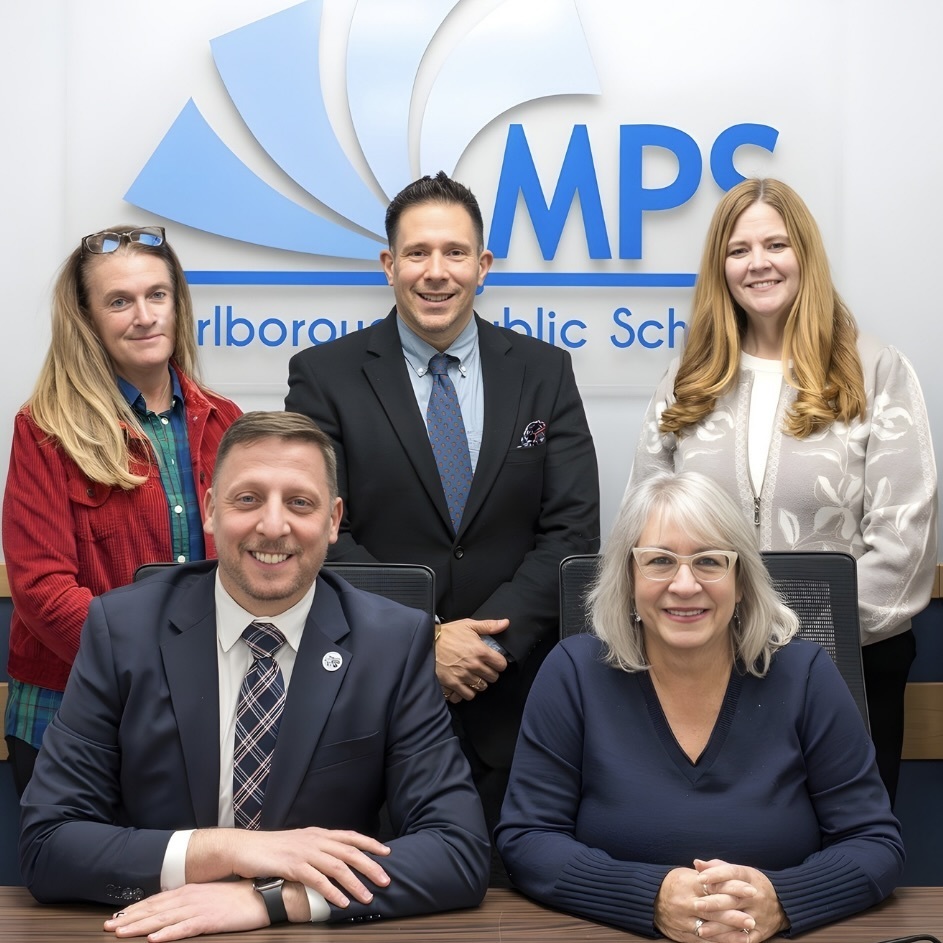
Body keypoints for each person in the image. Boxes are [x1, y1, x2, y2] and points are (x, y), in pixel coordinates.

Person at [19, 411, 490, 937]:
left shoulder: (392, 644)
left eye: (300, 503)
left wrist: (272, 899)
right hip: (154, 928)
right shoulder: (121, 631)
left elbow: (457, 850)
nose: (273, 525)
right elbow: (48, 844)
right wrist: (229, 849)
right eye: (247, 499)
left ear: (333, 521)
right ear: (210, 510)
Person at [285, 172, 600, 873]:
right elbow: (314, 530)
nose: (436, 272)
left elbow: (571, 535)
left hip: (517, 705)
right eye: (417, 252)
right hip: (370, 699)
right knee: (369, 893)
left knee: (518, 903)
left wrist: (484, 648)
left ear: (482, 266)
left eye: (455, 253)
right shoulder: (323, 375)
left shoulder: (544, 372)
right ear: (388, 264)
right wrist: (423, 637)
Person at [627, 178, 938, 805]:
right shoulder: (687, 377)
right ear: (721, 266)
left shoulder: (874, 369)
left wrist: (787, 637)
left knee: (843, 854)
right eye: (739, 249)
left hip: (848, 668)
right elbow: (645, 520)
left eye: (777, 244)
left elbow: (904, 543)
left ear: (806, 255)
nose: (758, 263)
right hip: (706, 669)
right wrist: (717, 636)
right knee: (728, 851)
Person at [496, 470, 904, 940]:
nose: (685, 585)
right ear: (629, 578)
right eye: (660, 561)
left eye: (709, 561)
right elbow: (527, 839)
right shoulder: (573, 672)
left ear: (742, 580)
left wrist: (781, 901)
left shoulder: (805, 673)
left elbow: (874, 843)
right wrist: (650, 897)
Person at [2, 225, 242, 795]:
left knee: (188, 878)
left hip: (197, 715)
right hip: (69, 716)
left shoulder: (225, 421)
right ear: (86, 319)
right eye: (119, 301)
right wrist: (155, 663)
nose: (144, 315)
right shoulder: (45, 429)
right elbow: (42, 590)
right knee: (82, 883)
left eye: (157, 295)